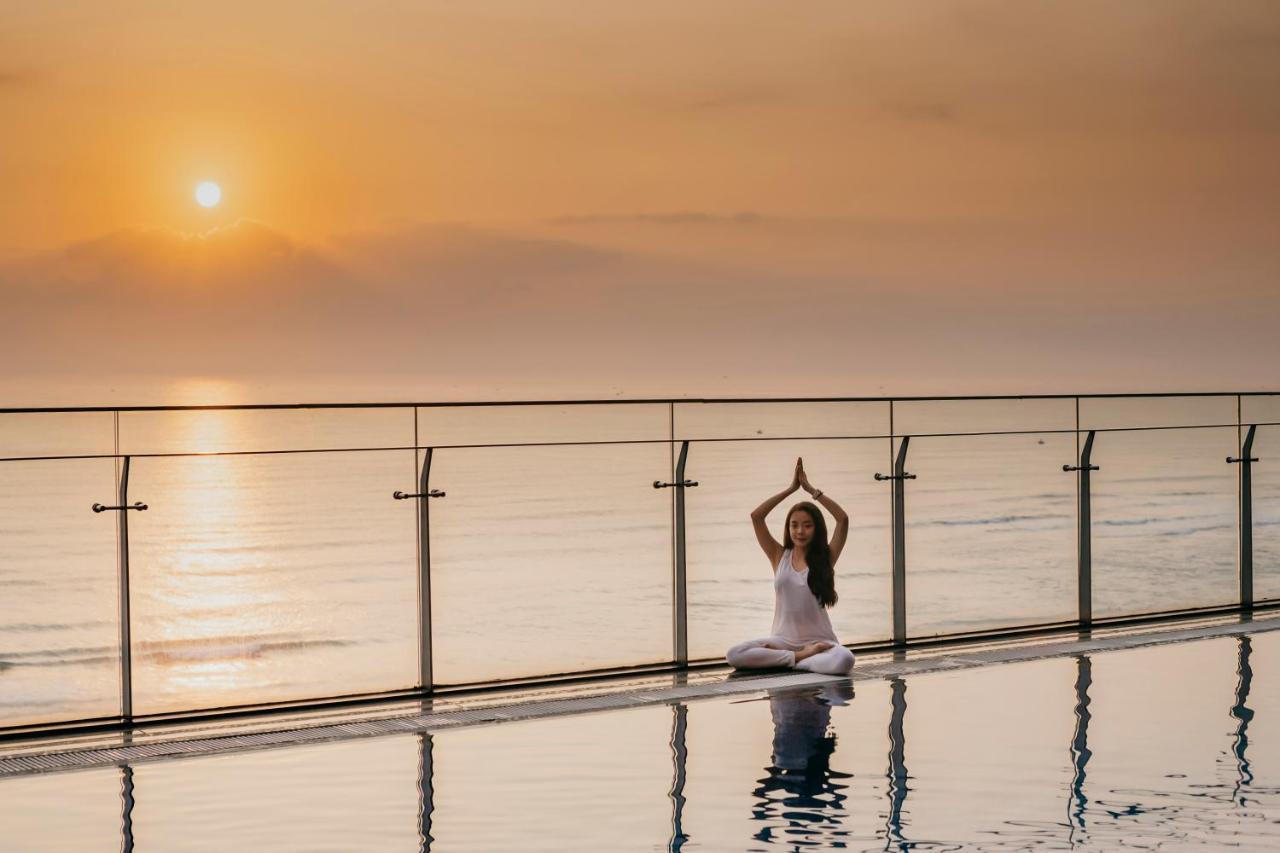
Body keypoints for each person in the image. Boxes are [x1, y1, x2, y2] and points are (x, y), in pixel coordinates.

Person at [726, 457, 856, 676]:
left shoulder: (825, 558)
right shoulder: (779, 556)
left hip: (821, 643)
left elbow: (842, 519)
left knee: (845, 659)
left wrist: (811, 490)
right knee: (735, 654)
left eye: (807, 526)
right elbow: (757, 517)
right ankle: (800, 658)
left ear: (816, 529)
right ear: (788, 528)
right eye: (794, 525)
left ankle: (792, 661)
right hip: (782, 641)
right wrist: (791, 489)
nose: (800, 531)